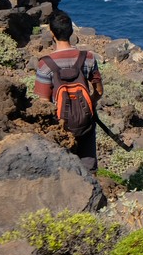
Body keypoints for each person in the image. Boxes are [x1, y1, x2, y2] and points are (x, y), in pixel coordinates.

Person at [35, 10, 103, 171]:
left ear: (52, 33)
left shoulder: (45, 64)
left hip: (61, 124)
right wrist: (89, 104)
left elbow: (43, 102)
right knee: (88, 167)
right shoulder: (88, 57)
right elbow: (99, 91)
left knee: (63, 168)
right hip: (85, 120)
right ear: (71, 32)